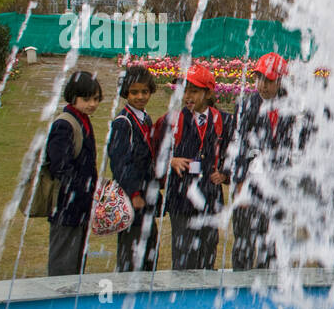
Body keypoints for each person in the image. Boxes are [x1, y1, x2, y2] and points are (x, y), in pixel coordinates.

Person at [156, 63, 230, 270]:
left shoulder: (223, 120)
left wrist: (225, 174)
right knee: (183, 255)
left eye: (194, 91)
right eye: (185, 90)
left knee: (208, 252)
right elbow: (155, 154)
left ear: (208, 93)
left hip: (210, 198)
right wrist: (171, 161)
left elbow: (234, 152)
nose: (188, 96)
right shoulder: (171, 120)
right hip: (181, 200)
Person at [230, 52, 294, 270]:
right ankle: (240, 285)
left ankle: (268, 280)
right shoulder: (246, 107)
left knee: (271, 239)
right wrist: (239, 182)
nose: (263, 86)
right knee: (244, 239)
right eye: (259, 79)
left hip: (277, 185)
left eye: (269, 80)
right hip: (249, 184)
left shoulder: (292, 108)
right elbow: (238, 146)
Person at [45, 71, 101, 277]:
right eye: (86, 99)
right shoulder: (64, 124)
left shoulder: (83, 120)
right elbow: (60, 167)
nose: (92, 104)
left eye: (96, 99)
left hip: (81, 205)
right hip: (66, 205)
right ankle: (57, 304)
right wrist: (82, 189)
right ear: (73, 96)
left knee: (77, 261)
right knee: (63, 264)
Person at [108, 65, 161, 272]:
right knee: (132, 251)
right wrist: (134, 193)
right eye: (134, 92)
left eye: (144, 92)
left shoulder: (144, 118)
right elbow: (120, 163)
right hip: (133, 199)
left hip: (147, 195)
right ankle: (127, 297)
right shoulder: (123, 123)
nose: (140, 96)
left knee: (149, 248)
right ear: (125, 93)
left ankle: (146, 296)